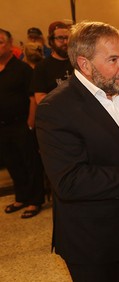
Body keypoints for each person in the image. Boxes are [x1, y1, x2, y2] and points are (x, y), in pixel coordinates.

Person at [35, 21, 119, 282]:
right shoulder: (56, 108)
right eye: (113, 59)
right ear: (85, 64)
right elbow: (69, 181)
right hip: (92, 240)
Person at [0, 29, 45, 218]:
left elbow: (32, 98)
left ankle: (35, 201)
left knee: (30, 163)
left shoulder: (22, 69)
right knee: (12, 163)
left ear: (10, 45)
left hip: (21, 124)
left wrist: (30, 123)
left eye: (0, 42)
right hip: (2, 127)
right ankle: (21, 197)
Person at [32, 21, 73, 104]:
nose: (65, 42)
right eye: (60, 38)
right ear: (51, 41)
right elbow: (39, 98)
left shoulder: (77, 62)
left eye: (67, 38)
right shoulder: (42, 67)